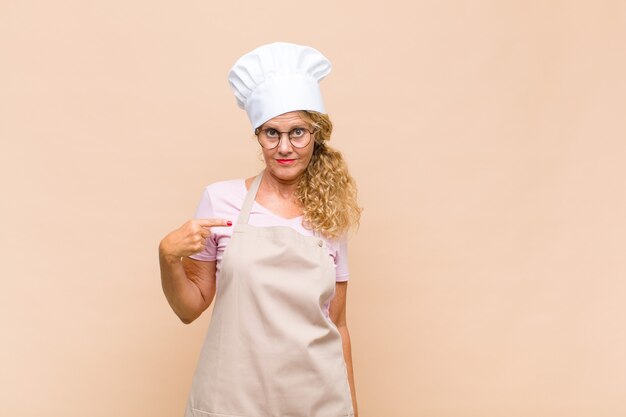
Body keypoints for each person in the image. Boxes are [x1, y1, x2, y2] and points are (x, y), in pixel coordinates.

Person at [158, 42, 362, 417]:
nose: (285, 147)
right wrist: (168, 257)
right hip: (234, 400)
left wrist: (353, 411)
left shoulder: (330, 215)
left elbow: (338, 323)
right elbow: (190, 308)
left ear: (316, 136)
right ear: (257, 135)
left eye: (297, 132)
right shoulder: (221, 201)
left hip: (316, 400)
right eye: (271, 133)